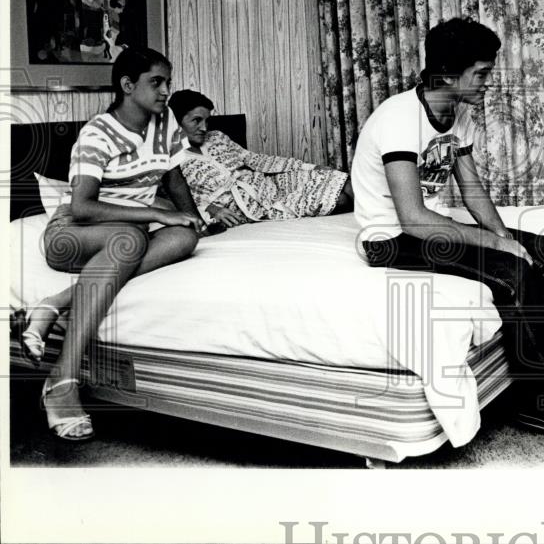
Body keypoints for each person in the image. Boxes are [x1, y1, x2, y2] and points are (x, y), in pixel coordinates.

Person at [352, 17, 544, 446]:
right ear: (449, 75)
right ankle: (539, 403)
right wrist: (493, 242)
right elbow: (413, 217)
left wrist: (503, 234)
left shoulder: (457, 114)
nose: (489, 83)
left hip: (426, 229)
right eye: (482, 73)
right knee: (510, 273)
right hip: (389, 240)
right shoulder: (398, 118)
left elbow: (471, 190)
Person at [20, 48, 204, 441]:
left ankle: (55, 303)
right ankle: (62, 381)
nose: (166, 91)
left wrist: (190, 218)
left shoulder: (165, 121)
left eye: (167, 82)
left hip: (122, 237)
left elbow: (172, 177)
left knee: (183, 238)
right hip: (71, 235)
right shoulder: (96, 133)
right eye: (156, 82)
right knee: (130, 238)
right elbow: (83, 207)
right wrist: (159, 213)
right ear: (127, 85)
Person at [168, 90, 351, 227]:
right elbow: (173, 199)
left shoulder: (217, 137)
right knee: (341, 200)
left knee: (343, 180)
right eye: (196, 120)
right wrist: (212, 209)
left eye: (207, 121)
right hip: (253, 206)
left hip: (270, 185)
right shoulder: (171, 158)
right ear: (176, 121)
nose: (204, 127)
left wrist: (309, 167)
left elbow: (256, 160)